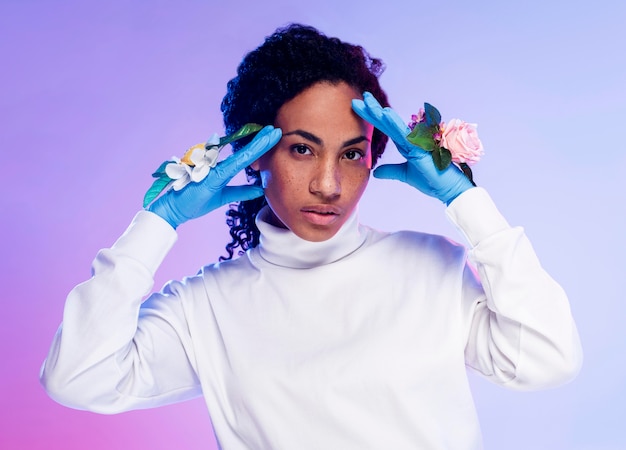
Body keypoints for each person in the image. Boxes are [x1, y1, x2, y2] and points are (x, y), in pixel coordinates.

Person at [40, 24, 582, 449]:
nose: (328, 185)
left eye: (351, 153)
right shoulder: (203, 308)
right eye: (302, 148)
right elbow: (79, 378)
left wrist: (465, 201)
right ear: (255, 156)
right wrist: (159, 222)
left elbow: (546, 358)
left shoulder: (430, 267)